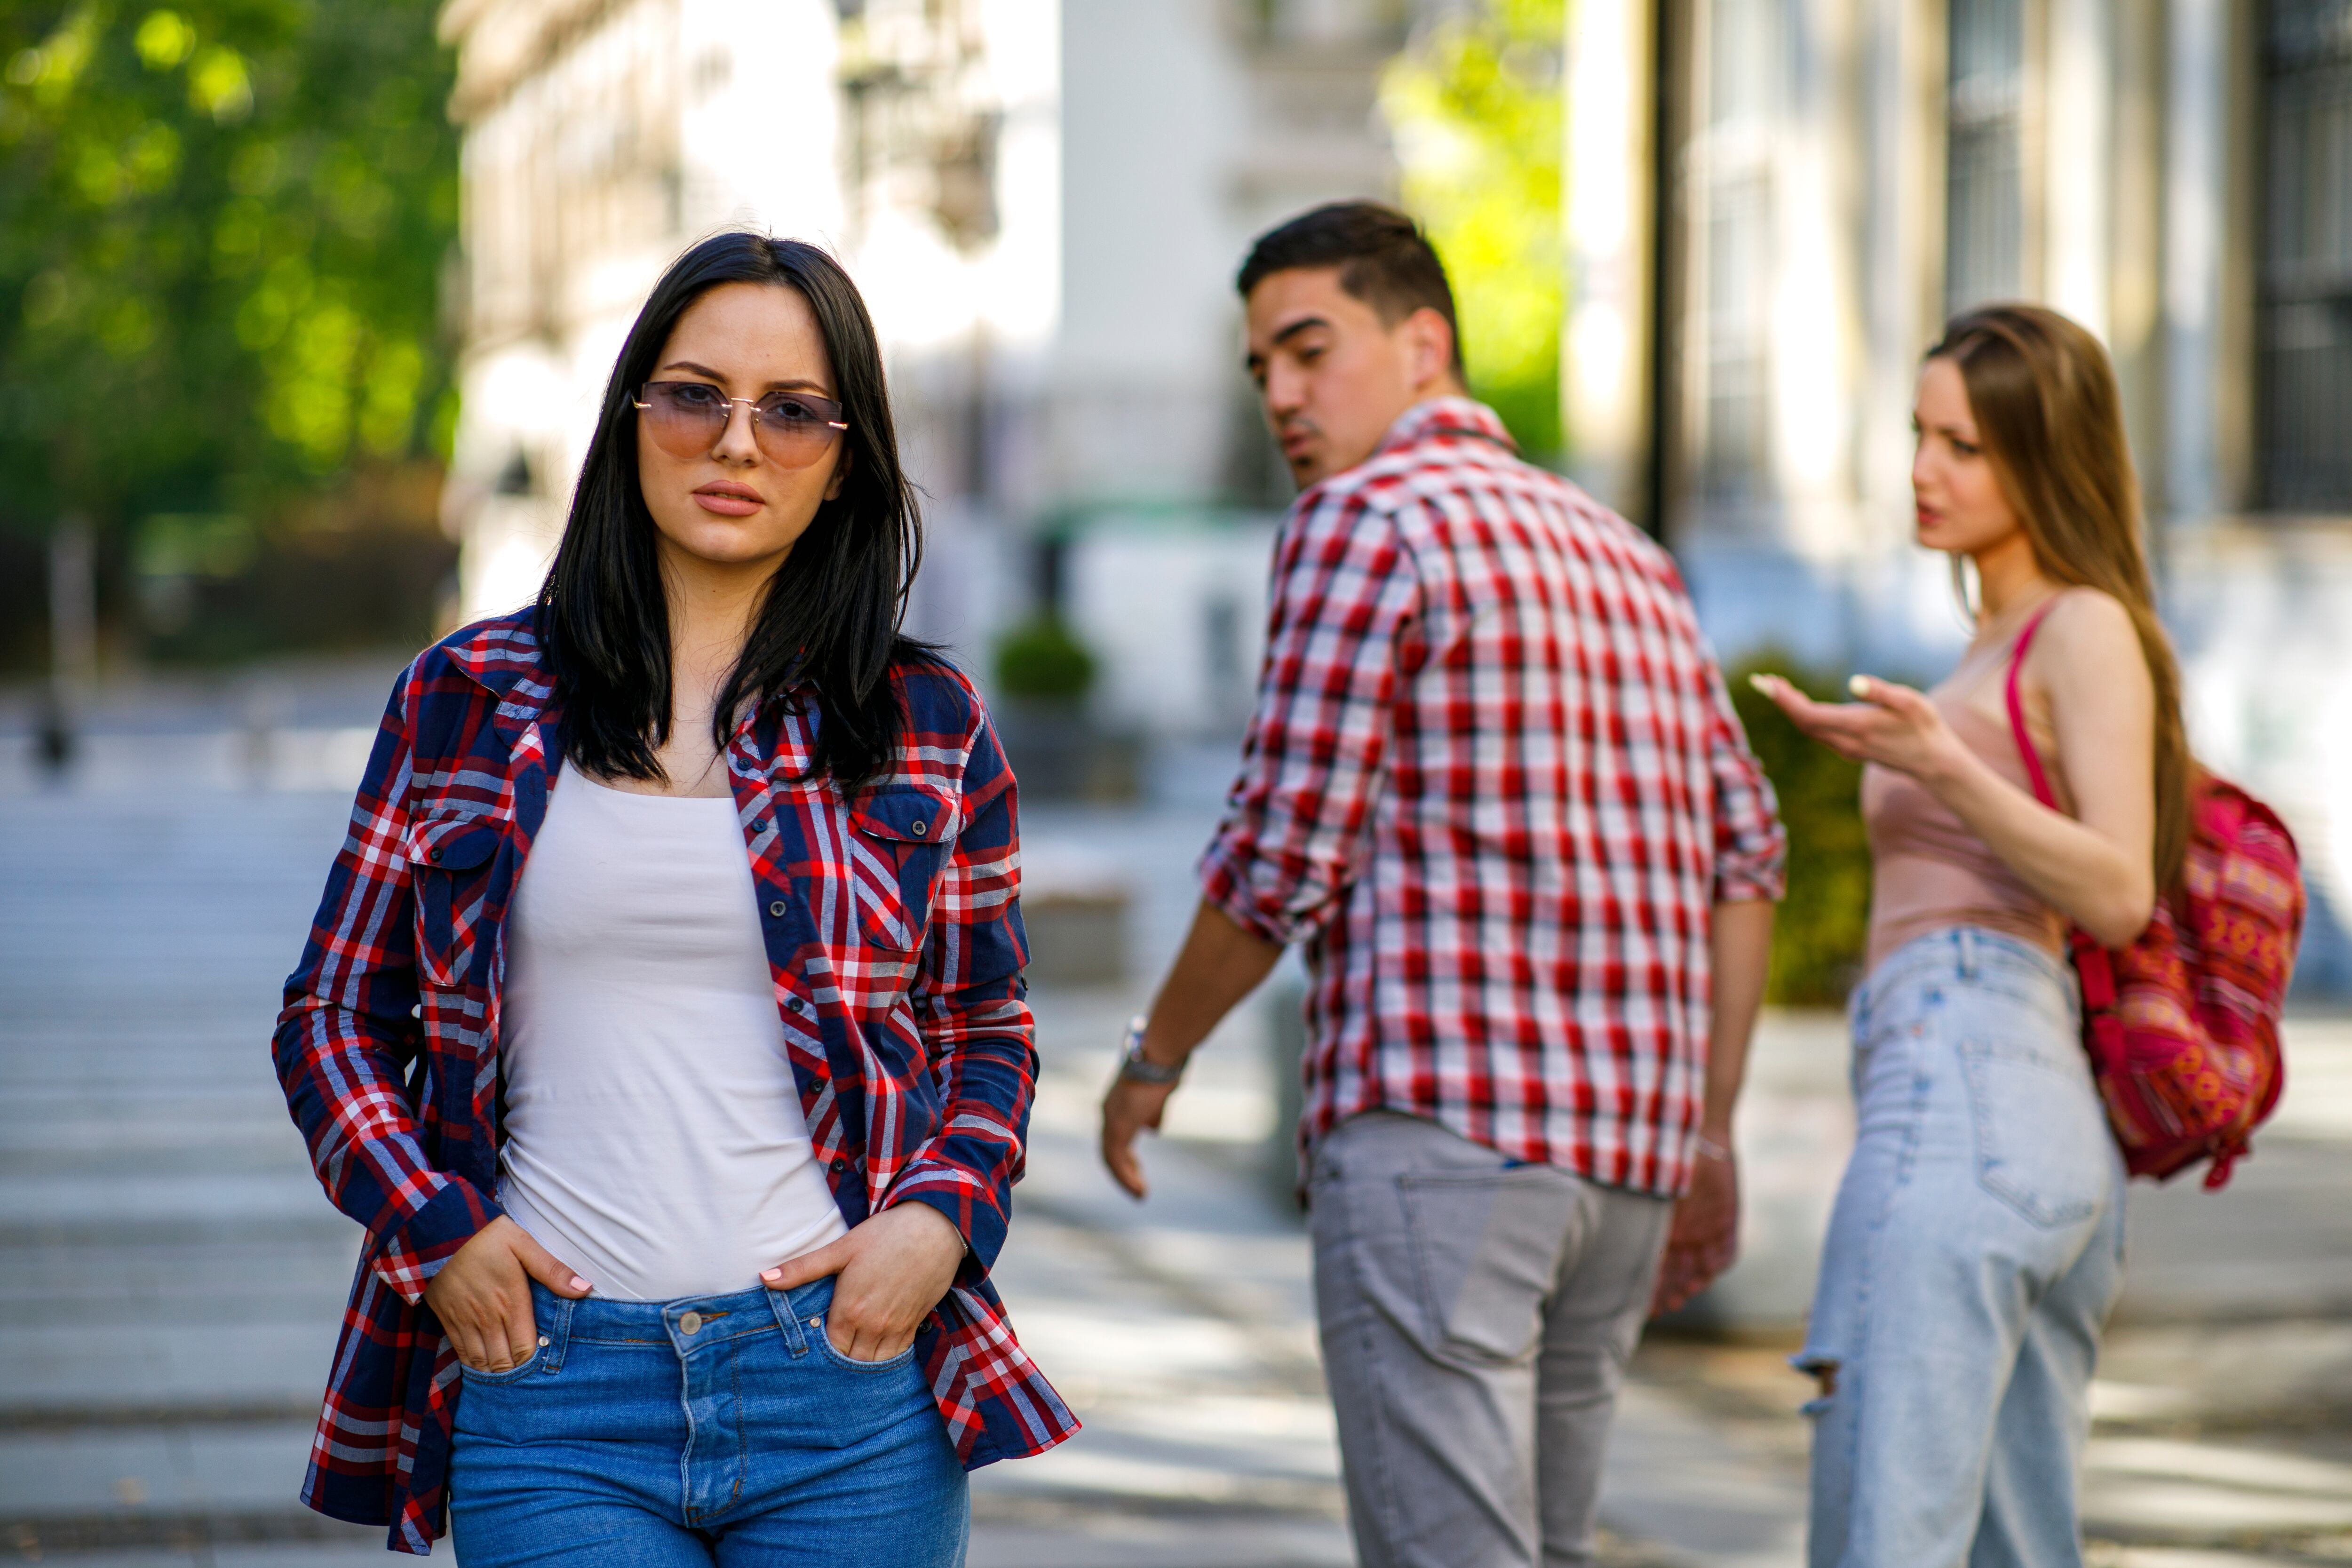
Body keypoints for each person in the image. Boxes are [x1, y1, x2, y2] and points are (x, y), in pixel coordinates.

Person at [273, 231, 1073, 1561]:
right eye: (696, 394)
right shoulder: (466, 700)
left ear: (848, 461)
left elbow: (988, 1025)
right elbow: (337, 1013)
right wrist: (436, 1226)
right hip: (552, 1384)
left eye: (795, 412)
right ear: (633, 413)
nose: (738, 443)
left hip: (851, 1388)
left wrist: (941, 1219)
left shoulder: (927, 721)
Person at [1098, 201, 1786, 1568]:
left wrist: (1152, 1055)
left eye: (1311, 348)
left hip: (1444, 1141)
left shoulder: (1364, 521)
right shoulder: (1633, 558)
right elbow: (1747, 853)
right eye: (1262, 370)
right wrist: (1706, 1130)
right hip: (1625, 1171)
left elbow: (1281, 851)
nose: (1284, 396)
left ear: (1425, 342)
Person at [1755, 303, 2183, 1565]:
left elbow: (2117, 892)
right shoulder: (1996, 640)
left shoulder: (2082, 625)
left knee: (1889, 1537)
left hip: (1970, 1078)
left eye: (1967, 447)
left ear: (2047, 459)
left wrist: (1940, 767)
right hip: (1995, 1101)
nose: (1924, 471)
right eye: (1919, 435)